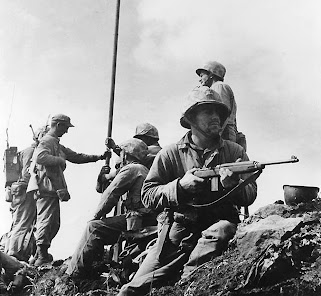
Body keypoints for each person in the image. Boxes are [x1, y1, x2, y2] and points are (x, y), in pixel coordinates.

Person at [117, 86, 258, 295]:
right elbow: (148, 195)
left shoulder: (234, 151)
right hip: (177, 235)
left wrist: (234, 186)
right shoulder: (170, 154)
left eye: (219, 112)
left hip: (217, 232)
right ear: (191, 118)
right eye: (208, 111)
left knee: (221, 231)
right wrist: (179, 188)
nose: (216, 117)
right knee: (130, 291)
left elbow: (251, 195)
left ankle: (185, 282)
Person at [66, 138, 157, 279]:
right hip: (145, 218)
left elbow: (111, 193)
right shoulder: (142, 169)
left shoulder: (132, 169)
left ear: (126, 155)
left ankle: (73, 274)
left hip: (140, 219)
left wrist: (96, 216)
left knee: (94, 227)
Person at [27, 114, 109, 267]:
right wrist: (59, 160)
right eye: (65, 127)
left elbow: (76, 156)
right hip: (46, 188)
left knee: (53, 223)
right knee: (47, 221)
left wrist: (98, 157)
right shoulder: (47, 141)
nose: (66, 131)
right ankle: (41, 256)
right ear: (58, 125)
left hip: (51, 189)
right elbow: (40, 157)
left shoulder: (55, 143)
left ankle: (41, 253)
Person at [5, 126, 49, 262]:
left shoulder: (27, 151)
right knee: (23, 223)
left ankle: (19, 253)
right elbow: (26, 175)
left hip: (21, 191)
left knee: (24, 223)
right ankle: (13, 254)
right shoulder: (31, 152)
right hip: (25, 191)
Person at [96, 123, 161, 193]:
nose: (137, 141)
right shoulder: (145, 152)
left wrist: (115, 148)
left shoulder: (156, 151)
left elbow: (134, 158)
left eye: (139, 138)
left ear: (148, 138)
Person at [196, 61, 239, 143]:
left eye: (202, 76)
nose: (200, 79)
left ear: (211, 75)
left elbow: (222, 113)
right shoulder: (216, 87)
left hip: (223, 132)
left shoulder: (219, 86)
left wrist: (215, 137)